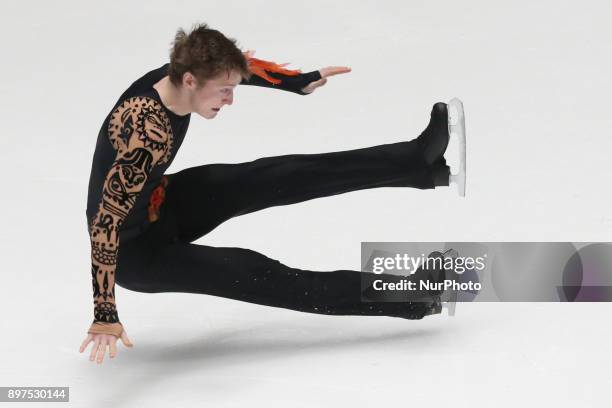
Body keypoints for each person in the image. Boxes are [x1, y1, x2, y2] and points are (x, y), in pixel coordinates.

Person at [79, 22, 453, 364]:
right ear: (190, 80)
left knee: (281, 174)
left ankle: (419, 162)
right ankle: (413, 296)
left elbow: (243, 65)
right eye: (224, 91)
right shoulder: (145, 135)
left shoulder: (180, 73)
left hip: (161, 203)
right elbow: (104, 226)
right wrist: (105, 313)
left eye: (232, 88)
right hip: (135, 252)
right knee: (261, 274)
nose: (230, 99)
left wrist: (293, 82)